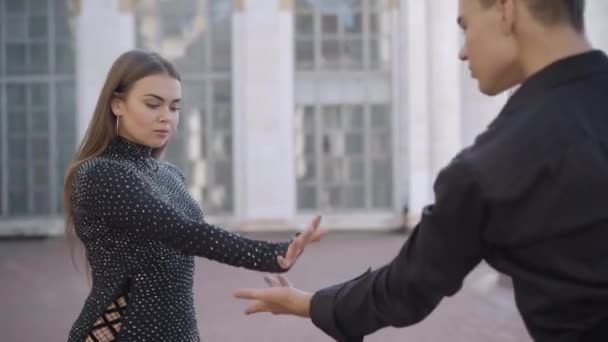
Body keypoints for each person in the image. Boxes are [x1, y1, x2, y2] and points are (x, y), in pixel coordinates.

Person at [234, 0, 608, 341]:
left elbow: (407, 287)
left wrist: (307, 304)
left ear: (507, 11)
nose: (462, 51)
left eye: (465, 26)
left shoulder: (492, 167)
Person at [63, 49, 323, 342]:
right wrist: (271, 254)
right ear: (117, 104)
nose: (166, 117)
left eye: (174, 107)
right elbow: (181, 232)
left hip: (180, 332)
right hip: (120, 332)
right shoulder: (100, 174)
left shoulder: (170, 174)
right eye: (153, 104)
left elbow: (187, 238)